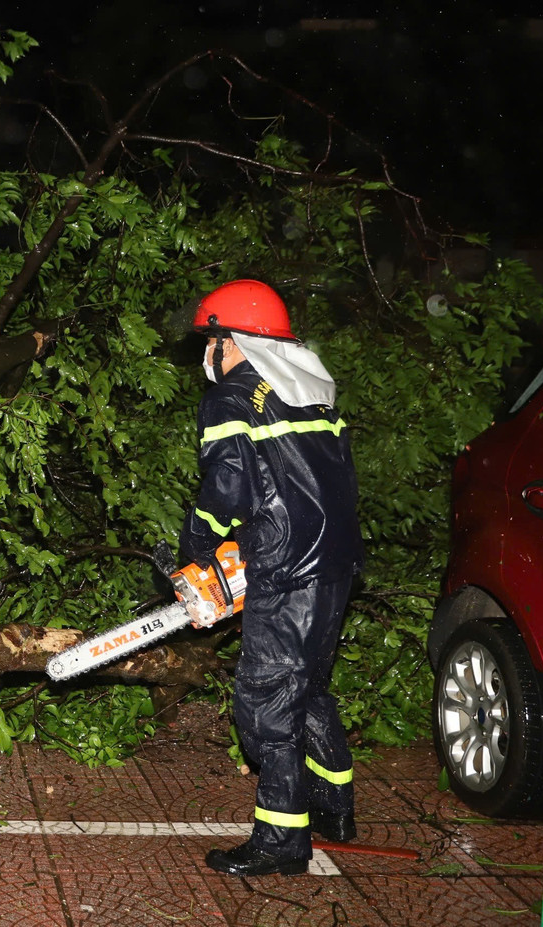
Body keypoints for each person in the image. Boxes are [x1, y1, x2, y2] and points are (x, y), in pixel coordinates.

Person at [178, 279, 364, 877]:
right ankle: (334, 808)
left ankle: (282, 841)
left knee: (265, 703)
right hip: (335, 563)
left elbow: (227, 485)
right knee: (307, 687)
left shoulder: (232, 395)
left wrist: (200, 546)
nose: (206, 353)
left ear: (229, 342)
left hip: (286, 570)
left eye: (210, 340)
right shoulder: (309, 388)